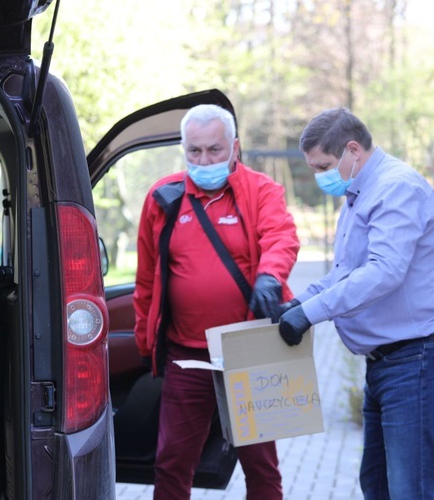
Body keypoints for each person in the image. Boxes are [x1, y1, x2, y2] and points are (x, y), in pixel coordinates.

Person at [276, 108, 434, 499]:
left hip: (417, 356)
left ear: (353, 150)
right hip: (388, 361)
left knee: (408, 489)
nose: (319, 177)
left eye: (324, 166)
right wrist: (297, 305)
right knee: (377, 485)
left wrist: (311, 314)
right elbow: (346, 271)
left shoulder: (396, 188)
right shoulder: (358, 194)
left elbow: (384, 271)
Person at [133, 103, 299, 500]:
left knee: (260, 465)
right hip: (186, 354)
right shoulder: (163, 197)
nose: (204, 160)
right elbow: (145, 279)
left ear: (235, 148)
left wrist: (270, 277)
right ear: (183, 149)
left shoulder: (261, 190)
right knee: (172, 463)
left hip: (248, 350)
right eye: (194, 151)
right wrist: (145, 341)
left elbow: (281, 237)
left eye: (214, 150)